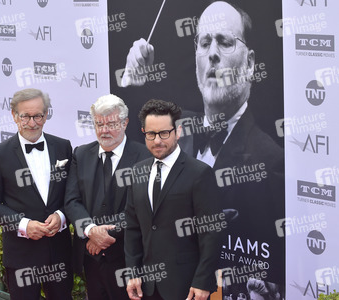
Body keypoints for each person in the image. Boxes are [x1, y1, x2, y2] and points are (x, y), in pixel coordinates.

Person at [121, 1, 285, 292]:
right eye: (204, 42)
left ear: (249, 63)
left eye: (224, 42)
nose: (212, 53)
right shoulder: (175, 126)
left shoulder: (271, 160)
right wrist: (136, 82)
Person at [124, 99, 222, 300]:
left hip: (186, 286)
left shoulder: (199, 173)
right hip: (147, 287)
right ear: (144, 132)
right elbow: (133, 227)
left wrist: (202, 281)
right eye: (151, 134)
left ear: (177, 131)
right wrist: (133, 273)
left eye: (164, 133)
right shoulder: (137, 171)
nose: (157, 140)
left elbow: (211, 232)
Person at [0, 88, 73, 300]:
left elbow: (73, 195)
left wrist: (61, 217)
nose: (32, 123)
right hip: (21, 254)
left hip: (58, 250)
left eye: (38, 116)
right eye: (25, 116)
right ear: (14, 116)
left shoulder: (63, 147)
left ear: (46, 115)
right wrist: (23, 225)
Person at [64, 94, 150, 300]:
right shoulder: (81, 154)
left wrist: (104, 236)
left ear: (125, 123)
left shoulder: (145, 157)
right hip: (90, 258)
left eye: (111, 123)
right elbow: (71, 200)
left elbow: (143, 209)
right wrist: (91, 230)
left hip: (127, 260)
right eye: (99, 124)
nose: (104, 130)